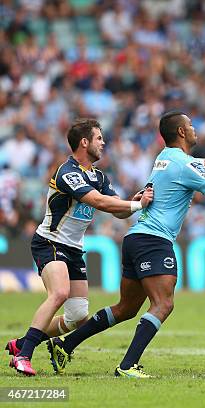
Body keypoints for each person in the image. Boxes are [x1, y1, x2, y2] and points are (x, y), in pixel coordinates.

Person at [47, 111, 205, 378]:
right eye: (190, 125)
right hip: (154, 241)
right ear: (181, 132)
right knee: (163, 304)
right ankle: (127, 365)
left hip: (135, 238)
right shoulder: (182, 165)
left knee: (126, 308)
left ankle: (65, 344)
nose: (194, 128)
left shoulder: (167, 158)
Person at [6, 118, 154, 376]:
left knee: (77, 315)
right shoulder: (67, 172)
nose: (103, 142)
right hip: (50, 242)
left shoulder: (98, 176)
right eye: (99, 138)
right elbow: (99, 202)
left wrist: (133, 201)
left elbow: (116, 209)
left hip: (73, 249)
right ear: (84, 142)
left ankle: (22, 342)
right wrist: (137, 206)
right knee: (59, 293)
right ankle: (24, 356)